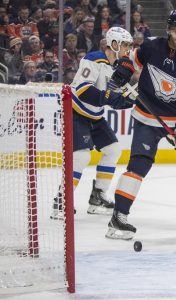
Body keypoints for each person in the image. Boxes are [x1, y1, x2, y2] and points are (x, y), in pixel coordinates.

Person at [105, 10, 176, 240]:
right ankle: (118, 218)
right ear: (168, 29)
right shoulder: (151, 47)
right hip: (146, 118)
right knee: (138, 166)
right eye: (175, 31)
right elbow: (131, 62)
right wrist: (122, 72)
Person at [51, 27, 136, 219]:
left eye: (129, 45)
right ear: (113, 44)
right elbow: (82, 90)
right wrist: (111, 98)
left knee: (113, 150)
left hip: (95, 116)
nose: (127, 49)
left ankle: (98, 197)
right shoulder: (93, 58)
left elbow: (112, 93)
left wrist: (124, 100)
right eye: (124, 45)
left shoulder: (117, 66)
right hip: (75, 112)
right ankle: (61, 201)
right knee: (81, 157)